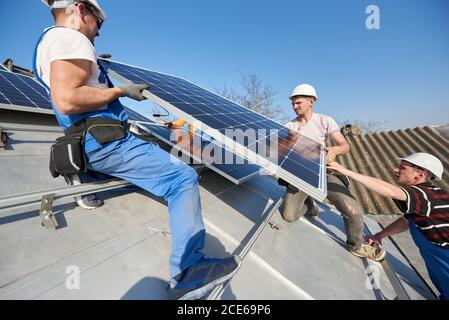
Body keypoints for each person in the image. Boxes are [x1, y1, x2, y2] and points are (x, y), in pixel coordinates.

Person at [36, 0, 240, 300]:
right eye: (98, 23)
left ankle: (87, 177)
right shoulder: (70, 39)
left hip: (82, 142)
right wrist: (119, 90)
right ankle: (189, 271)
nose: (98, 32)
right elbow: (68, 99)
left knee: (148, 153)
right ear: (81, 10)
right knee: (182, 177)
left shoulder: (45, 42)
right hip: (106, 140)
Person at [281, 84, 385, 261]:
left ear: (311, 101)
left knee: (355, 212)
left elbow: (345, 146)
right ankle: (309, 205)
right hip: (301, 173)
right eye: (293, 103)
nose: (295, 106)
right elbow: (281, 150)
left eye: (298, 102)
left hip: (325, 171)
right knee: (289, 216)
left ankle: (357, 245)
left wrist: (335, 151)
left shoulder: (324, 121)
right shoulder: (290, 126)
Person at [328, 153, 448, 299]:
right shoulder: (424, 197)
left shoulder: (425, 195)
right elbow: (407, 220)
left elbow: (389, 191)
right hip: (438, 261)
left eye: (402, 168)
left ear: (420, 175)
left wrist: (346, 172)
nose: (395, 170)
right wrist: (380, 235)